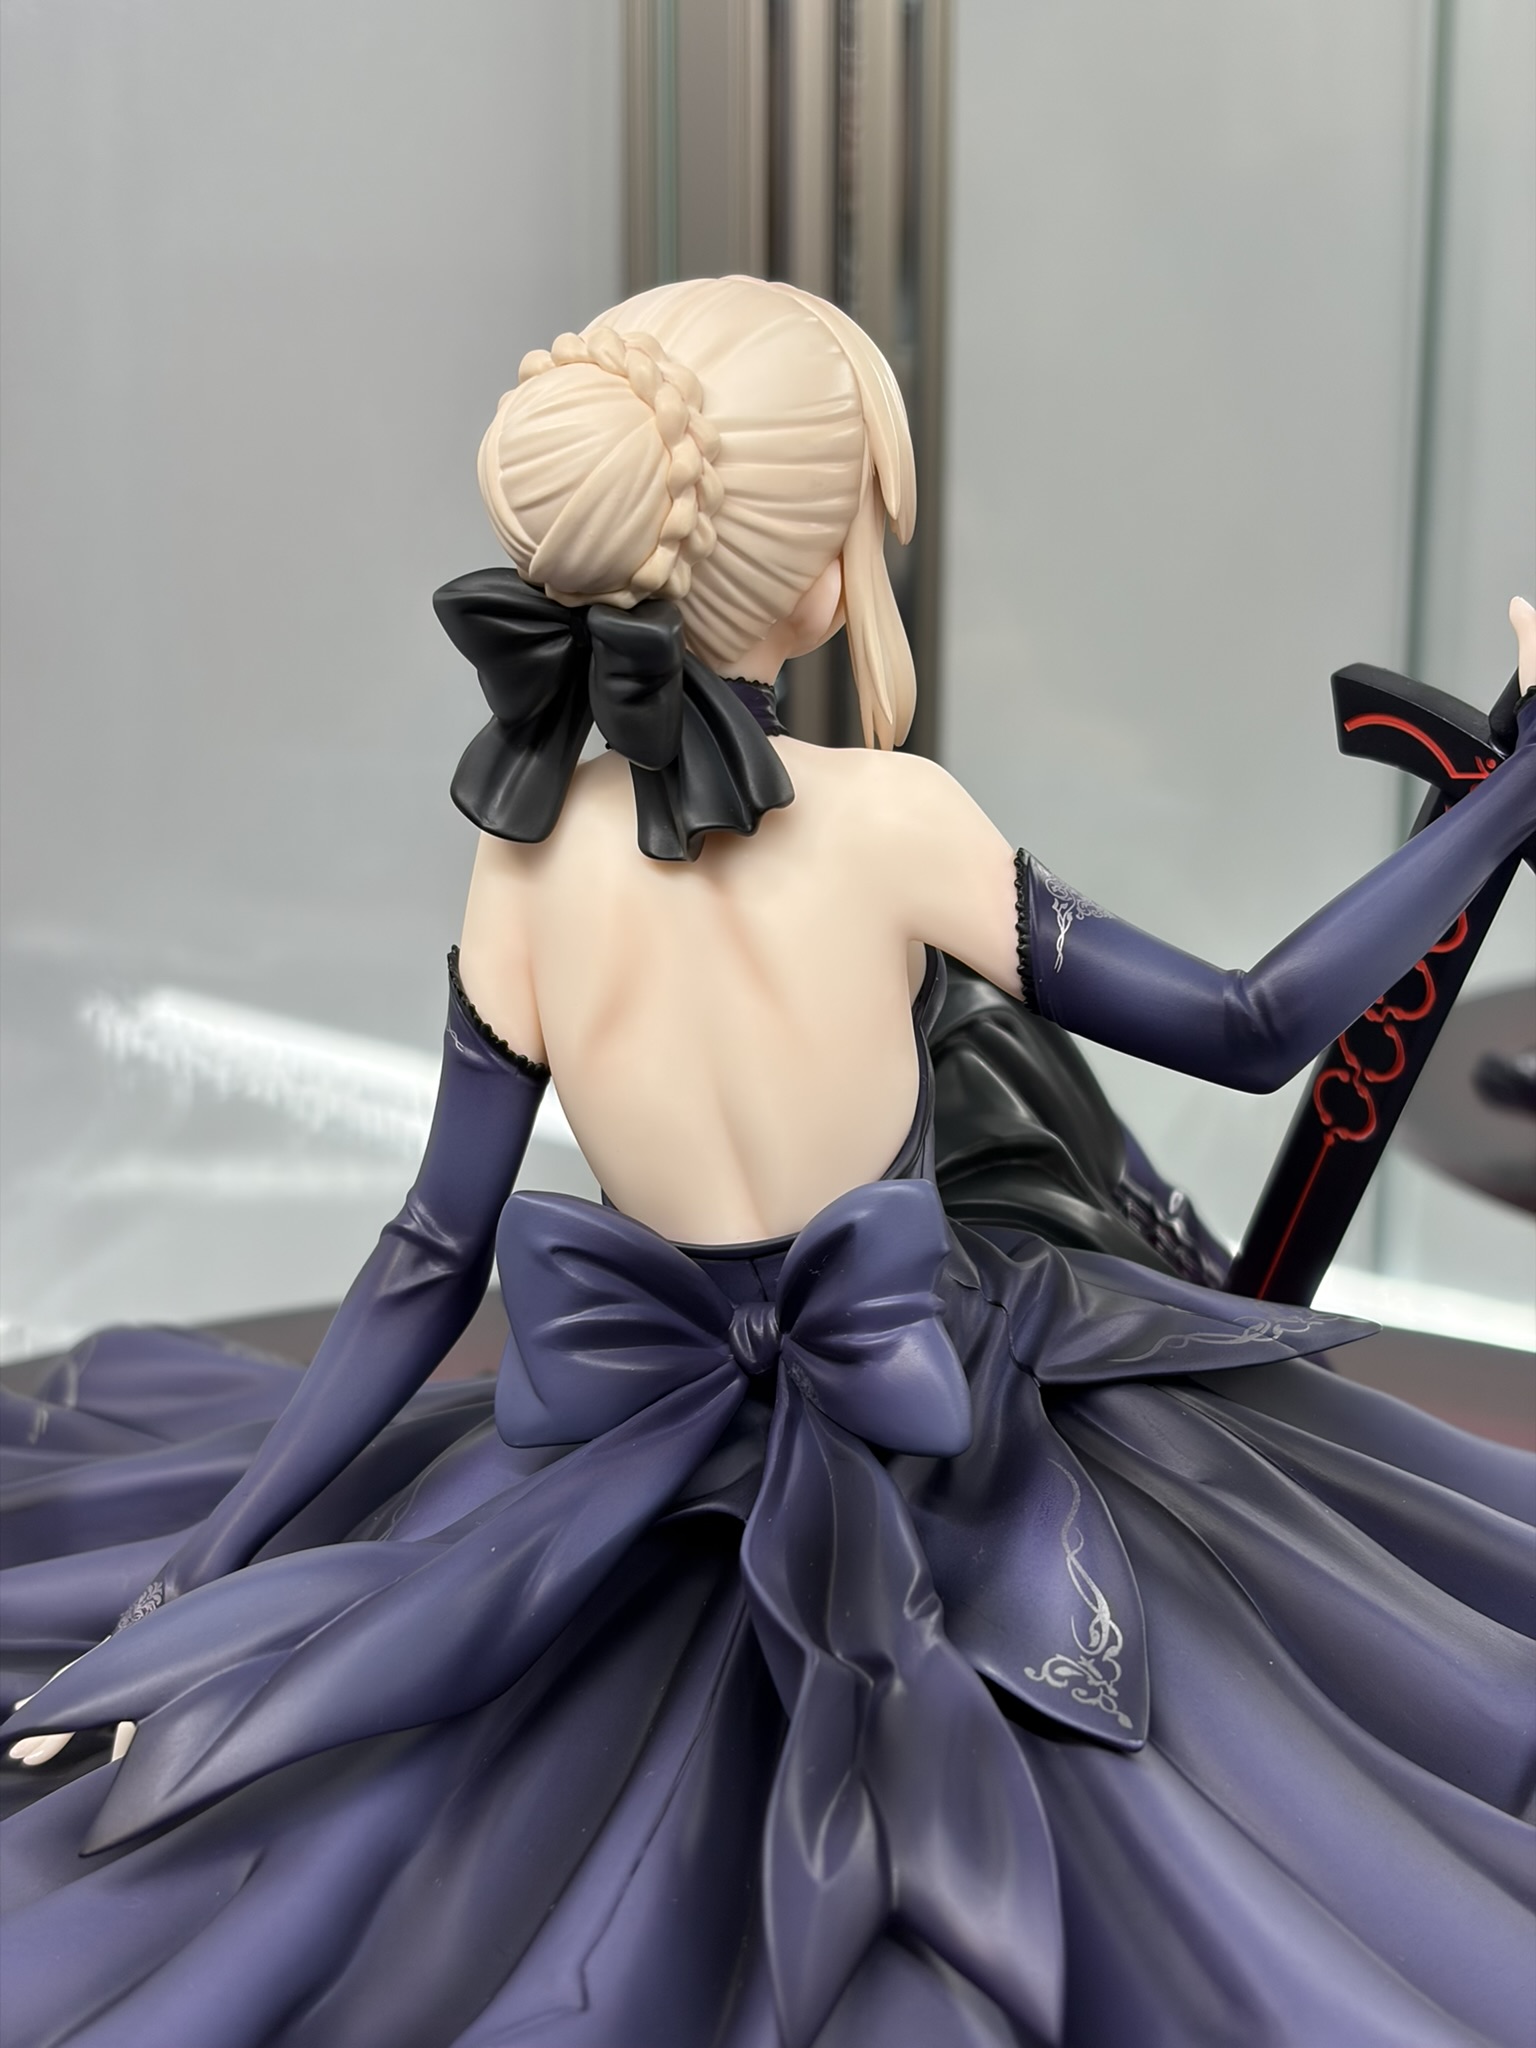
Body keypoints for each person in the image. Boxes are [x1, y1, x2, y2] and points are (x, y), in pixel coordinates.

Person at [3, 276, 1533, 2048]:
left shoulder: (521, 863)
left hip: (623, 1457)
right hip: (946, 1418)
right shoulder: (894, 823)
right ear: (814, 569)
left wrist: (202, 1570)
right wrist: (1503, 802)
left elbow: (427, 1257)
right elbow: (1257, 1026)